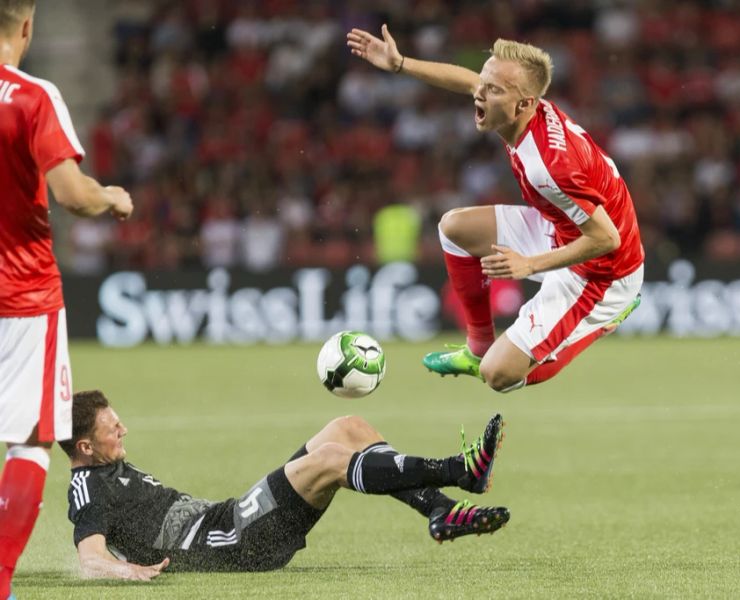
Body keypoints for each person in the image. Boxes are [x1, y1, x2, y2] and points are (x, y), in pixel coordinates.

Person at [347, 26, 644, 393]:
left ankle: (608, 319)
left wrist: (529, 264)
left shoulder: (547, 166)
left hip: (602, 272)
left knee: (498, 375)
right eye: (484, 84)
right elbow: (468, 80)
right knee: (454, 228)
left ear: (523, 104)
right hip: (560, 228)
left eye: (493, 90)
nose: (479, 94)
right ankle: (478, 347)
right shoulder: (523, 110)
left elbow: (606, 238)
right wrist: (400, 64)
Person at [61, 391, 508, 578]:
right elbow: (90, 558)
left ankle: (438, 509)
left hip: (230, 519)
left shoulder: (103, 464)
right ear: (84, 445)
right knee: (332, 461)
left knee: (347, 427)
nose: (124, 431)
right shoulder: (88, 488)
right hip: (232, 542)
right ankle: (457, 469)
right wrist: (129, 570)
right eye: (112, 428)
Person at [0, 1, 134, 596]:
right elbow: (72, 195)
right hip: (22, 293)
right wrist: (111, 196)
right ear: (26, 26)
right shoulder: (33, 97)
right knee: (29, 440)